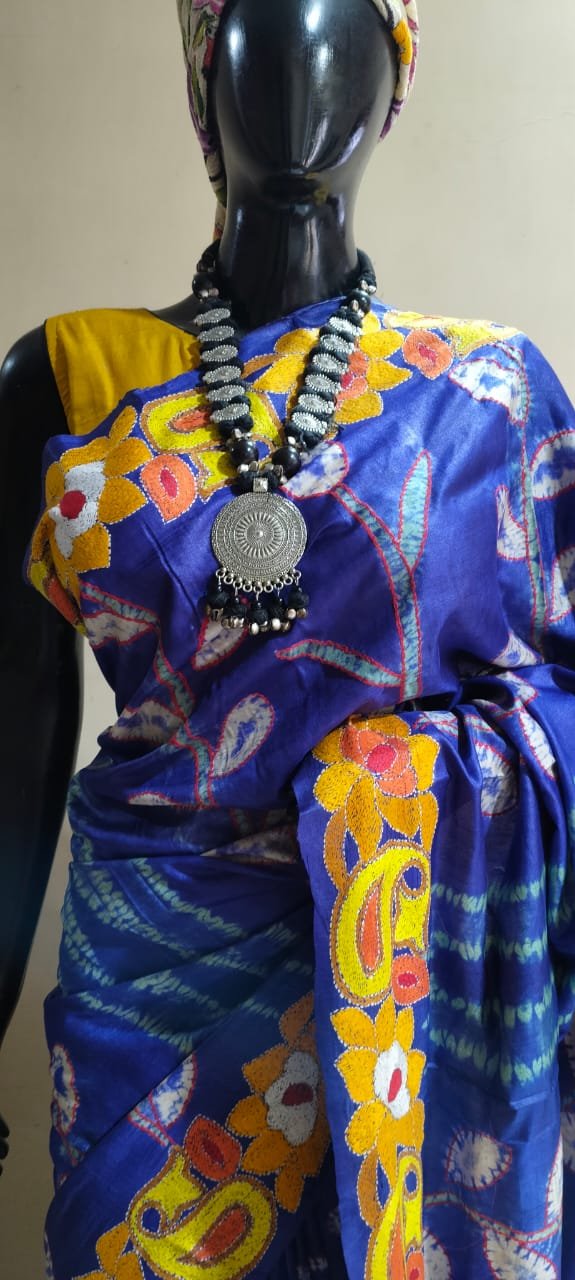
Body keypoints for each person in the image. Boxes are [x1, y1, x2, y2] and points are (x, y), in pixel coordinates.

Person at [1, 1, 574, 1276]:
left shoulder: (491, 396)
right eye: (260, 20)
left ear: (394, 75)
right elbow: (11, 751)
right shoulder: (70, 374)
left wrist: (392, 785)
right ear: (201, 74)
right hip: (147, 999)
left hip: (417, 1004)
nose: (305, 57)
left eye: (345, 23)